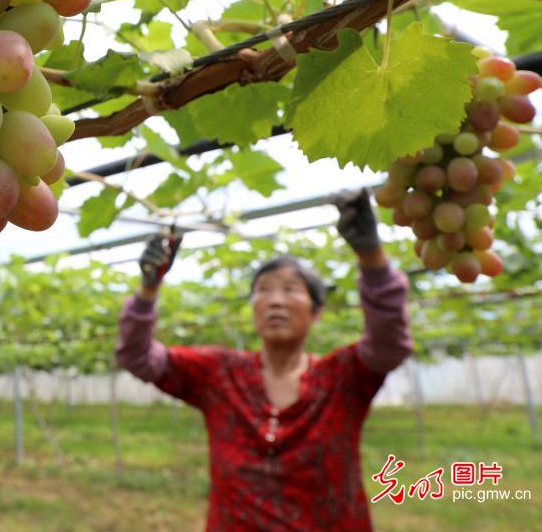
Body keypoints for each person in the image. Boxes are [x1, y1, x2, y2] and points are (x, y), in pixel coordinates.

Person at [115, 189, 413, 531]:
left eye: (290, 290)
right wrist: (147, 290)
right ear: (253, 308)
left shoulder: (343, 377)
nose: (275, 301)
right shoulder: (219, 374)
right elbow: (139, 357)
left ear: (315, 312)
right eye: (264, 290)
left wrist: (372, 259)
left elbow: (389, 344)